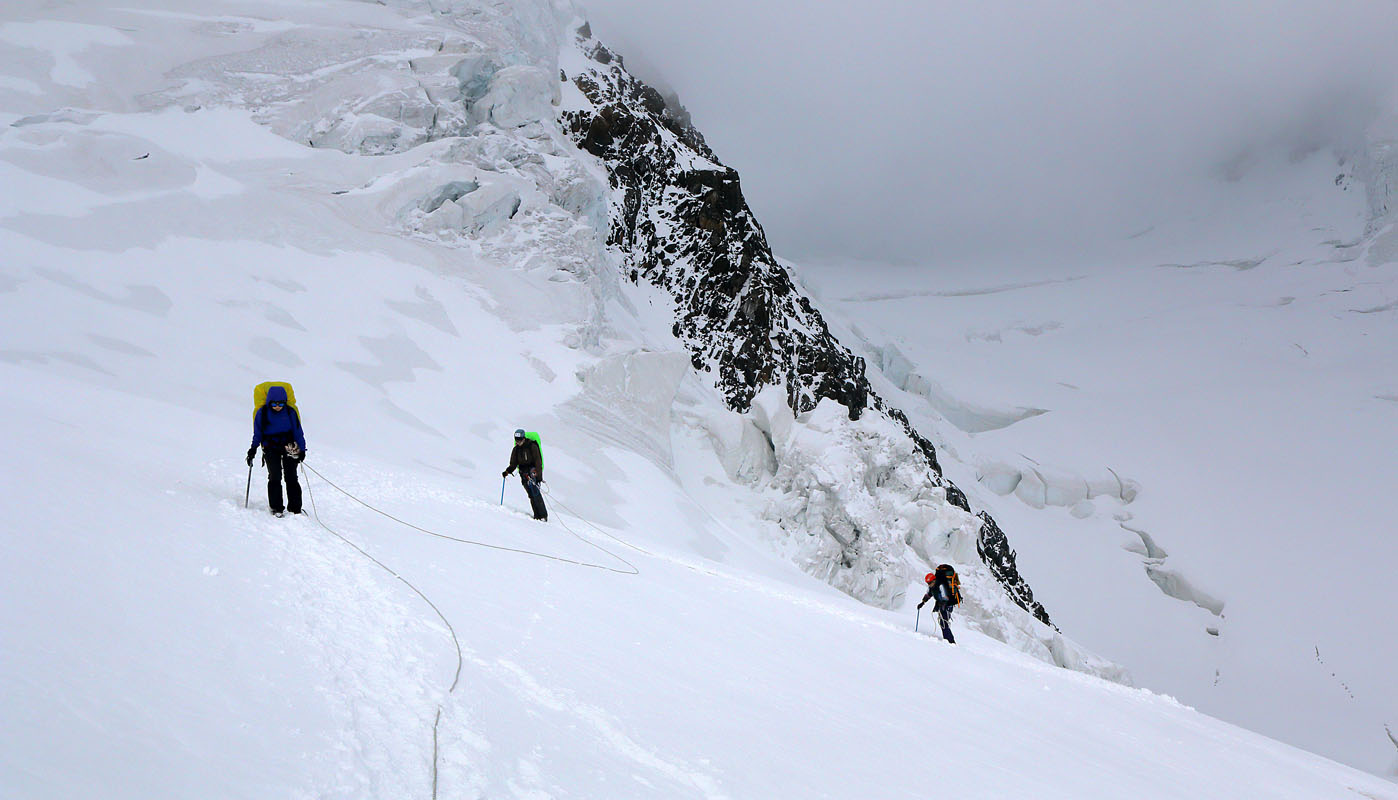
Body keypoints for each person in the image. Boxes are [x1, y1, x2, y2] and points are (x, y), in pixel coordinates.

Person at [245, 385, 306, 517]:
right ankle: (276, 507)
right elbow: (258, 433)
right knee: (275, 476)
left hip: (289, 446)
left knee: (291, 476)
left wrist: (302, 449)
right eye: (274, 403)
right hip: (270, 447)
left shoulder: (290, 412)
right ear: (269, 402)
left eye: (281, 403)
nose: (277, 406)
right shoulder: (262, 413)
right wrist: (253, 449)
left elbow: (298, 432)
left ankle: (295, 508)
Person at [502, 428, 547, 521]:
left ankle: (543, 515)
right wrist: (507, 471)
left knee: (535, 493)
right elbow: (513, 463)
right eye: (516, 440)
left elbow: (538, 462)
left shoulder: (532, 446)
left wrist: (539, 477)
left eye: (519, 440)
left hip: (533, 472)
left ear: (524, 438)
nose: (518, 442)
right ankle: (537, 515)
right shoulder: (516, 450)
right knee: (531, 494)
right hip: (523, 474)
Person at [918, 565, 961, 644]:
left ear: (934, 580)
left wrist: (942, 605)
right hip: (942, 605)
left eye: (930, 583)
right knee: (943, 622)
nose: (929, 584)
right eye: (928, 583)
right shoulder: (931, 587)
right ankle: (948, 640)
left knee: (943, 622)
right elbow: (928, 594)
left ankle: (950, 641)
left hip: (947, 605)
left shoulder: (941, 585)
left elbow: (945, 597)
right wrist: (922, 602)